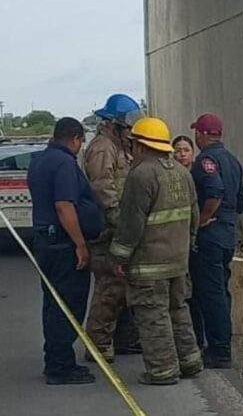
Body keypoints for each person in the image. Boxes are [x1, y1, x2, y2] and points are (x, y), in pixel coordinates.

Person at [107, 117, 203, 385]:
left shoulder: (141, 175)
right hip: (178, 261)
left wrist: (118, 257)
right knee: (178, 310)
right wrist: (188, 244)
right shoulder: (183, 173)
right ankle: (190, 361)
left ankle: (162, 371)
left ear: (140, 145)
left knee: (153, 316)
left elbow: (130, 224)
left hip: (149, 265)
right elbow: (193, 216)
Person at [27, 118, 103, 385]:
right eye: (81, 142)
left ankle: (57, 360)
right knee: (68, 304)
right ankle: (60, 367)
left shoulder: (39, 161)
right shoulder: (64, 164)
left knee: (53, 302)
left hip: (46, 241)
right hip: (63, 244)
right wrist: (80, 244)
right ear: (76, 139)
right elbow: (64, 206)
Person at [83, 94, 144, 363]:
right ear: (113, 124)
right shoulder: (102, 148)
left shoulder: (119, 147)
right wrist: (121, 221)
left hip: (118, 229)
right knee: (109, 289)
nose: (131, 132)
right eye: (127, 127)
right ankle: (97, 344)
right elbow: (103, 188)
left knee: (122, 288)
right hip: (108, 232)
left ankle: (122, 340)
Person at [189, 113, 243, 368]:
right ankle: (221, 342)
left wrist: (202, 219)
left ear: (201, 134)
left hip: (210, 237)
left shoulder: (206, 161)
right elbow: (242, 202)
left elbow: (215, 191)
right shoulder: (233, 161)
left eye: (196, 133)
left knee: (210, 294)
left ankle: (219, 351)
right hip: (227, 235)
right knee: (221, 292)